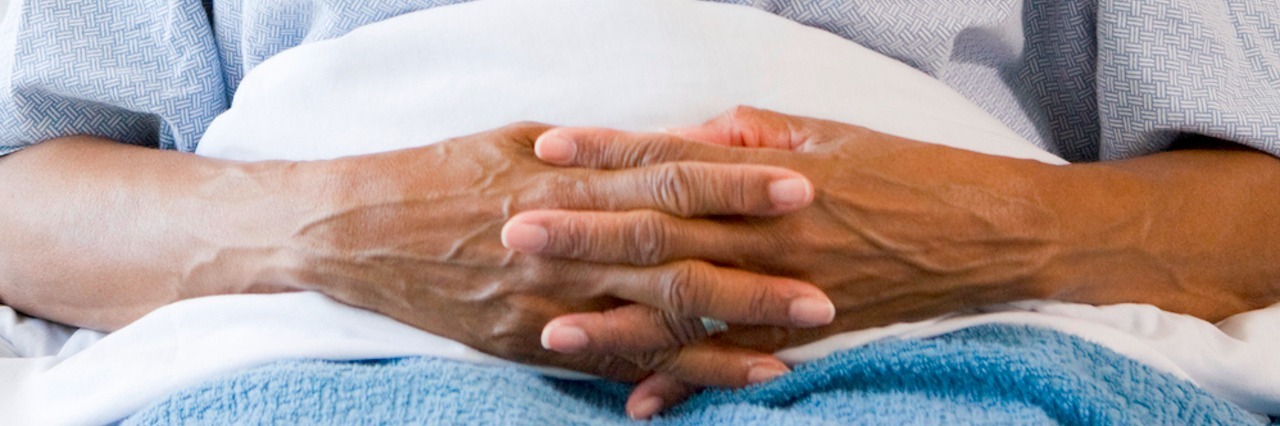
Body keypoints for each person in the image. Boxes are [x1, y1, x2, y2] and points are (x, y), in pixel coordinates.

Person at [1, 0, 1277, 420]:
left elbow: (1253, 193)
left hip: (964, 320)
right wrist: (337, 228)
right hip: (323, 325)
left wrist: (982, 234)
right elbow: (29, 194)